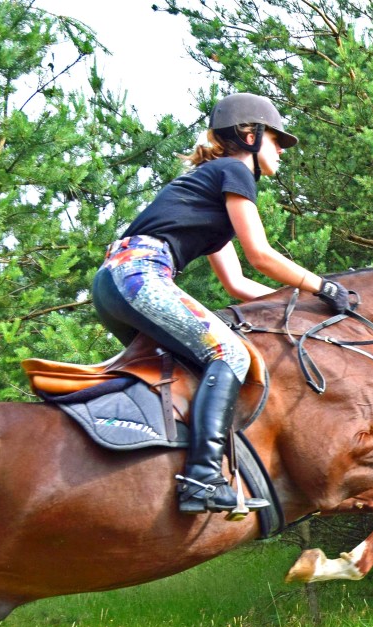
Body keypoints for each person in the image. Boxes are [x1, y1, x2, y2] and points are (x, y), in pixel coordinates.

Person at [92, 92, 349, 515]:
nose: (282, 151)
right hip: (139, 274)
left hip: (116, 282)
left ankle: (154, 460)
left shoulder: (211, 184)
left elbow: (237, 283)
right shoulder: (234, 170)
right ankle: (202, 480)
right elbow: (261, 255)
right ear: (249, 135)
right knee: (228, 352)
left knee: (187, 371)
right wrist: (322, 287)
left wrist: (301, 307)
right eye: (277, 140)